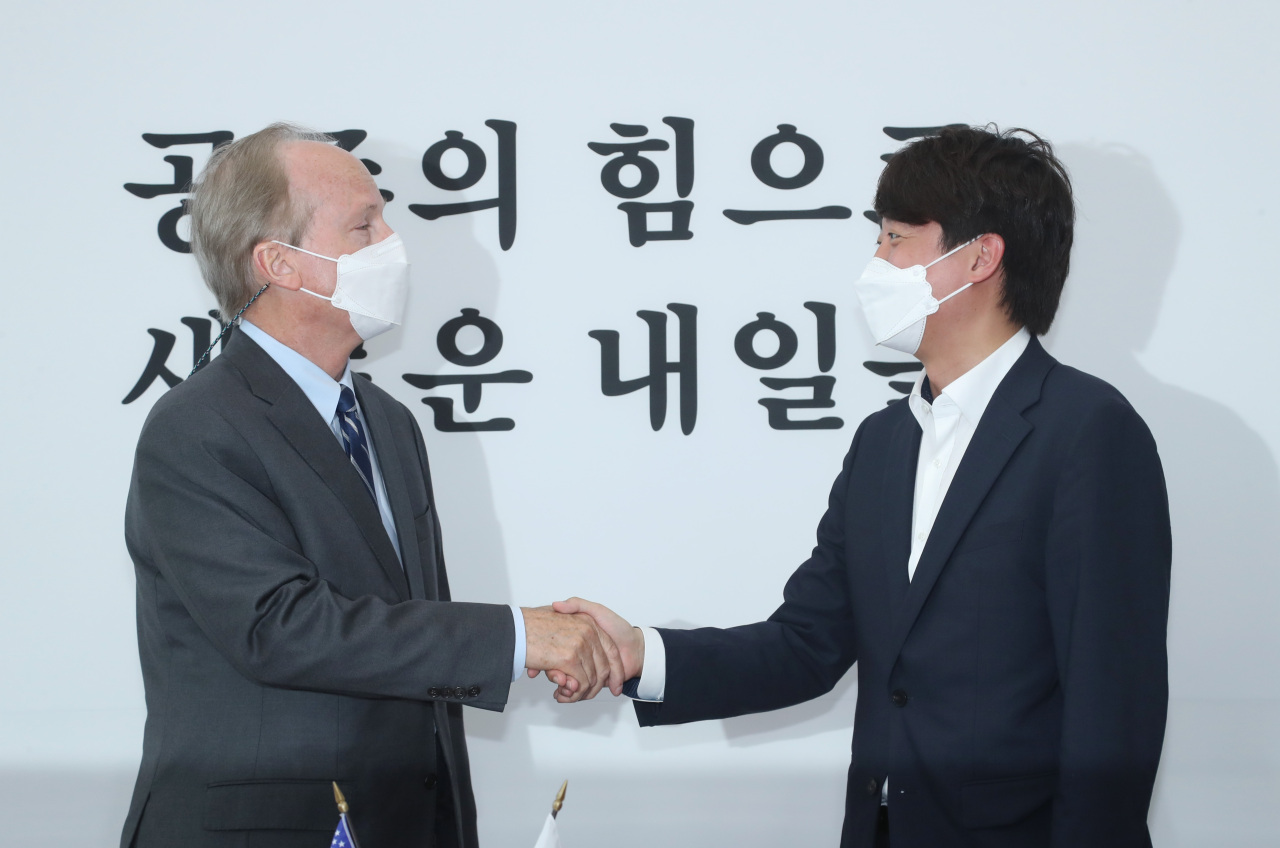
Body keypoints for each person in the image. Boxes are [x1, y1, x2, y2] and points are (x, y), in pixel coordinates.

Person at [558, 125, 1172, 848]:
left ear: (980, 256)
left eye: (894, 239)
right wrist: (640, 653)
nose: (875, 263)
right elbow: (808, 643)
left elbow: (1113, 706)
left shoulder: (1087, 431)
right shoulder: (884, 441)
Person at [120, 123, 622, 848]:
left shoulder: (386, 421)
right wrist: (516, 639)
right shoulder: (197, 427)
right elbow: (280, 628)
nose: (395, 242)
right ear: (281, 264)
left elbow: (399, 622)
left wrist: (528, 640)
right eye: (365, 224)